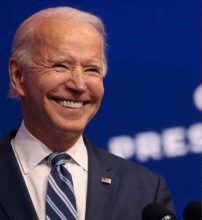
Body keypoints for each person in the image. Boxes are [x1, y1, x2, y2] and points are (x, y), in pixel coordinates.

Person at [0, 7, 174, 220]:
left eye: (92, 69)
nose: (79, 85)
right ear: (18, 76)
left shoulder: (146, 191)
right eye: (61, 65)